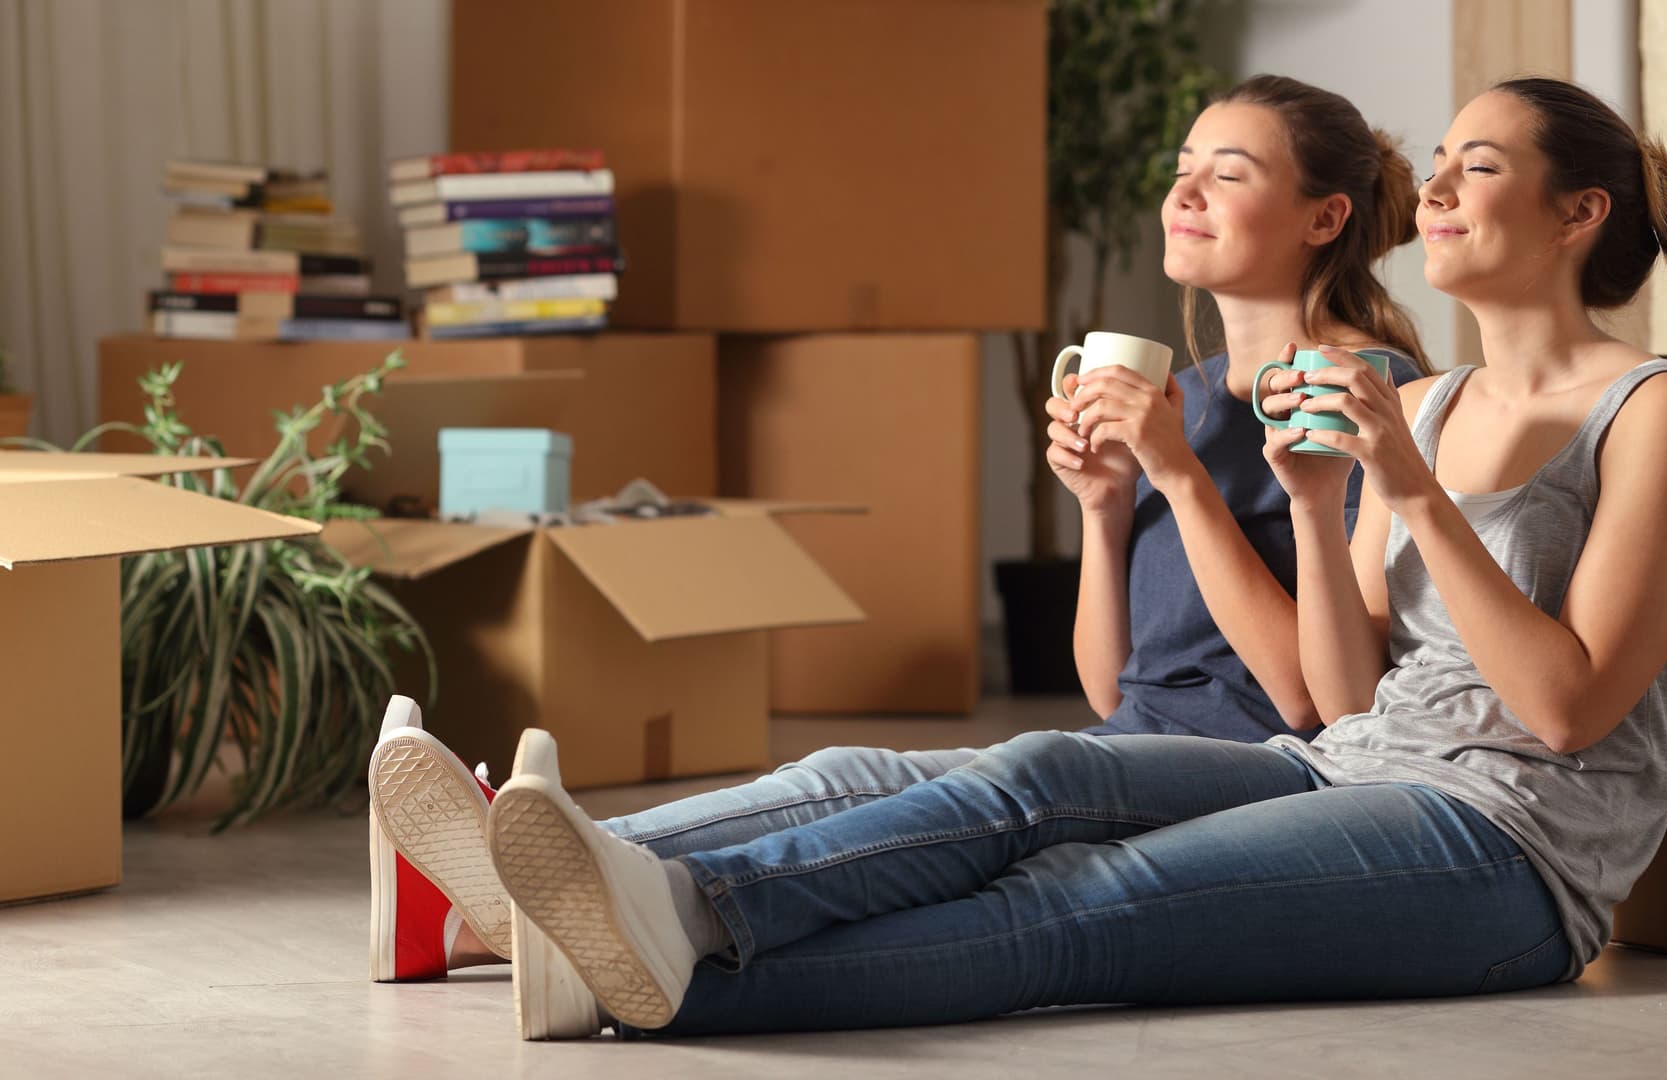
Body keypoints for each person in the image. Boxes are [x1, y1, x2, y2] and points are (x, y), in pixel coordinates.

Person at [477, 75, 1667, 1039]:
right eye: (1444, 168)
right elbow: (1348, 701)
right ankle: (657, 899)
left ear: (1579, 213)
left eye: (1480, 168)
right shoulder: (1423, 406)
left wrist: (1407, 496)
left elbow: (1571, 710)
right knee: (1033, 773)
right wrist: (1316, 498)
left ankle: (659, 971)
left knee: (1081, 908)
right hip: (1342, 769)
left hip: (1509, 855)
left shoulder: (1657, 414)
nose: (1442, 192)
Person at [367, 74, 1430, 1015]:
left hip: (1259, 778)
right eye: (1183, 166)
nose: (1184, 193)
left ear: (1323, 216)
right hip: (1127, 750)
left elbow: (1313, 704)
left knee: (1007, 779)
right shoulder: (1184, 397)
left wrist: (1175, 477)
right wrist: (1104, 512)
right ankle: (505, 879)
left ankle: (559, 883)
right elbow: (1119, 692)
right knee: (856, 767)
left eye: (1228, 172)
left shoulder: (1364, 396)